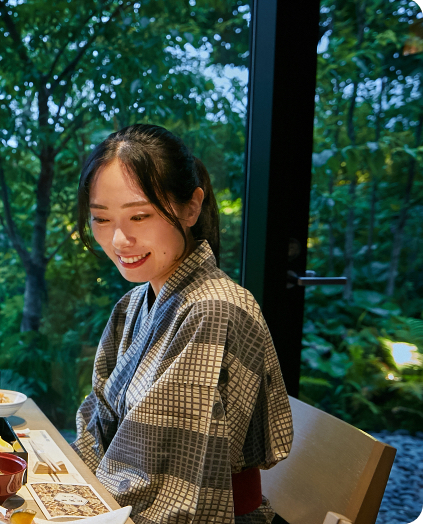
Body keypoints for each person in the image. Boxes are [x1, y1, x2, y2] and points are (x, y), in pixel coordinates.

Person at [72, 125, 293, 524]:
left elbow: (169, 485)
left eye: (140, 215)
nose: (119, 239)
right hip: (121, 505)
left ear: (191, 208)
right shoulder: (132, 305)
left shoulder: (214, 309)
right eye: (101, 218)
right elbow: (96, 420)